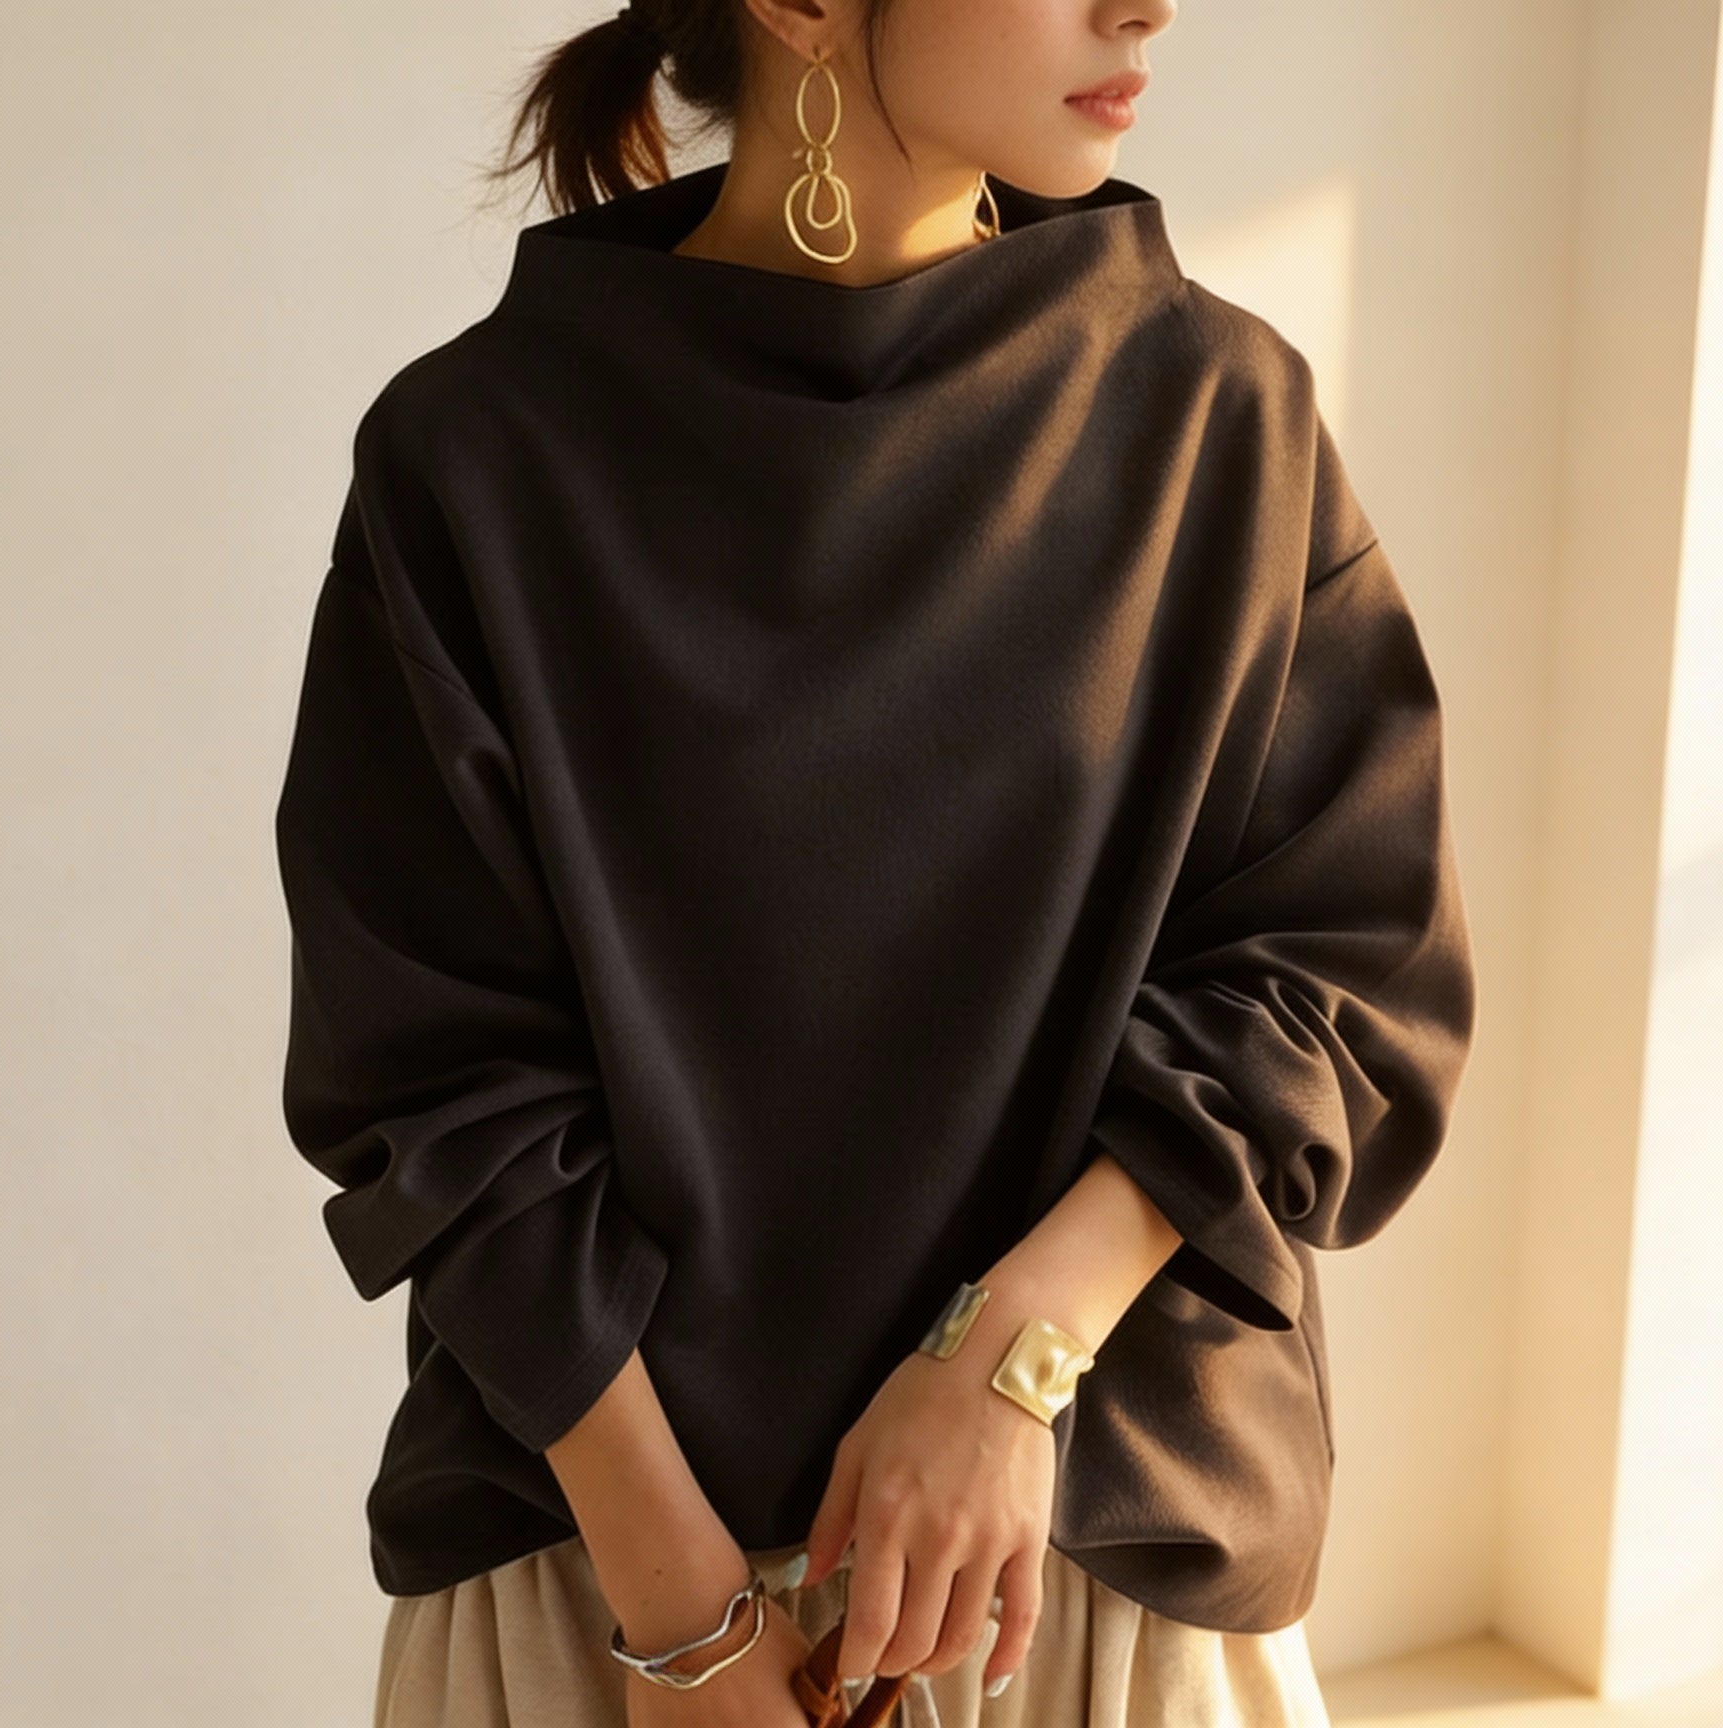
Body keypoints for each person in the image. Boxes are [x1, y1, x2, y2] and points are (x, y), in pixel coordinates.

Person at [272, 0, 1479, 1724]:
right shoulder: (474, 459)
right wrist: (685, 1618)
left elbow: (1343, 980)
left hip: (1086, 1557)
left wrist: (1007, 1365)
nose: (1146, 4)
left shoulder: (1221, 419)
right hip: (610, 1579)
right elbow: (434, 1080)